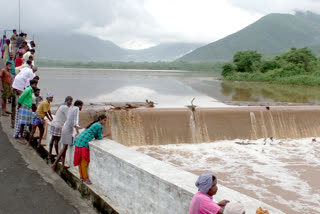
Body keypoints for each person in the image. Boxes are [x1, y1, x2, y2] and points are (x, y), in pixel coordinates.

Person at [73, 115, 110, 184]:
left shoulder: (95, 124)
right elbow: (98, 137)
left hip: (78, 141)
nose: (105, 122)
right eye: (104, 120)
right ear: (100, 119)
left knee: (80, 161)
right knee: (84, 162)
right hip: (83, 144)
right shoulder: (99, 126)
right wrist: (106, 135)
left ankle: (81, 176)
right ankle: (86, 178)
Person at [51, 100, 83, 170]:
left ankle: (62, 165)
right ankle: (54, 164)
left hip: (65, 128)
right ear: (78, 105)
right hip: (68, 130)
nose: (81, 107)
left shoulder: (71, 108)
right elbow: (75, 121)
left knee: (65, 148)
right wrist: (77, 132)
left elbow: (71, 120)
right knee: (64, 148)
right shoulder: (76, 109)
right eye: (81, 106)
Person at [16, 79, 38, 144]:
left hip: (28, 107)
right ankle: (21, 138)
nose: (36, 86)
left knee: (26, 123)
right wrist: (19, 105)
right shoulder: (28, 89)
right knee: (22, 123)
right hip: (24, 107)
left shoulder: (31, 90)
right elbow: (21, 97)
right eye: (35, 84)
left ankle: (25, 136)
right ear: (32, 84)